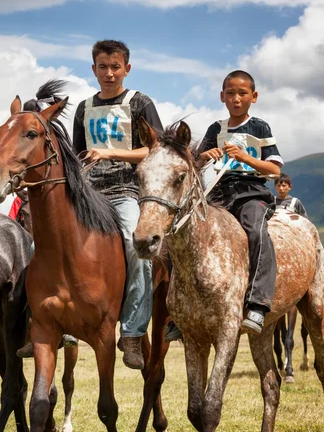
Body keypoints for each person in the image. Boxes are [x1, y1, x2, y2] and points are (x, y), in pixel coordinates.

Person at [166, 69, 283, 340]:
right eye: (230, 93)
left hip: (251, 192)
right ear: (222, 96)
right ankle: (178, 313)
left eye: (242, 93)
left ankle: (257, 303)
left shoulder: (260, 127)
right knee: (182, 231)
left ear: (253, 97)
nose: (236, 98)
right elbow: (192, 163)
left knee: (255, 230)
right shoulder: (216, 129)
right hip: (218, 193)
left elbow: (274, 169)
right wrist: (204, 155)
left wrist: (245, 157)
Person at [73, 39, 163, 370]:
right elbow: (78, 156)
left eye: (115, 67)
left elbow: (155, 150)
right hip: (89, 193)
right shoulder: (83, 108)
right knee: (43, 243)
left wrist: (111, 152)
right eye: (102, 67)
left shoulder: (139, 102)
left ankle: (133, 334)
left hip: (126, 190)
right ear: (93, 69)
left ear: (127, 68)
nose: (108, 73)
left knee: (135, 247)